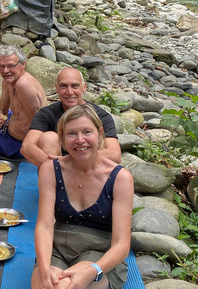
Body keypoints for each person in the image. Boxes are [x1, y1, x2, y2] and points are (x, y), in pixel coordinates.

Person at [31, 104, 133, 289]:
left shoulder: (120, 178)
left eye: (87, 132)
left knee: (66, 286)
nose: (80, 140)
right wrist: (44, 269)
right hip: (57, 248)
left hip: (100, 254)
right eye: (71, 133)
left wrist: (92, 271)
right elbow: (44, 226)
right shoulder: (50, 169)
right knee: (50, 285)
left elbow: (121, 243)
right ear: (62, 139)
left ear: (100, 134)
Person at [22, 67, 121, 166]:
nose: (69, 92)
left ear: (84, 87)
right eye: (64, 86)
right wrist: (57, 167)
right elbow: (27, 147)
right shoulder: (47, 114)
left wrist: (69, 162)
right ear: (56, 88)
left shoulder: (100, 116)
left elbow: (115, 154)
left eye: (75, 86)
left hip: (89, 167)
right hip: (57, 168)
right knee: (49, 138)